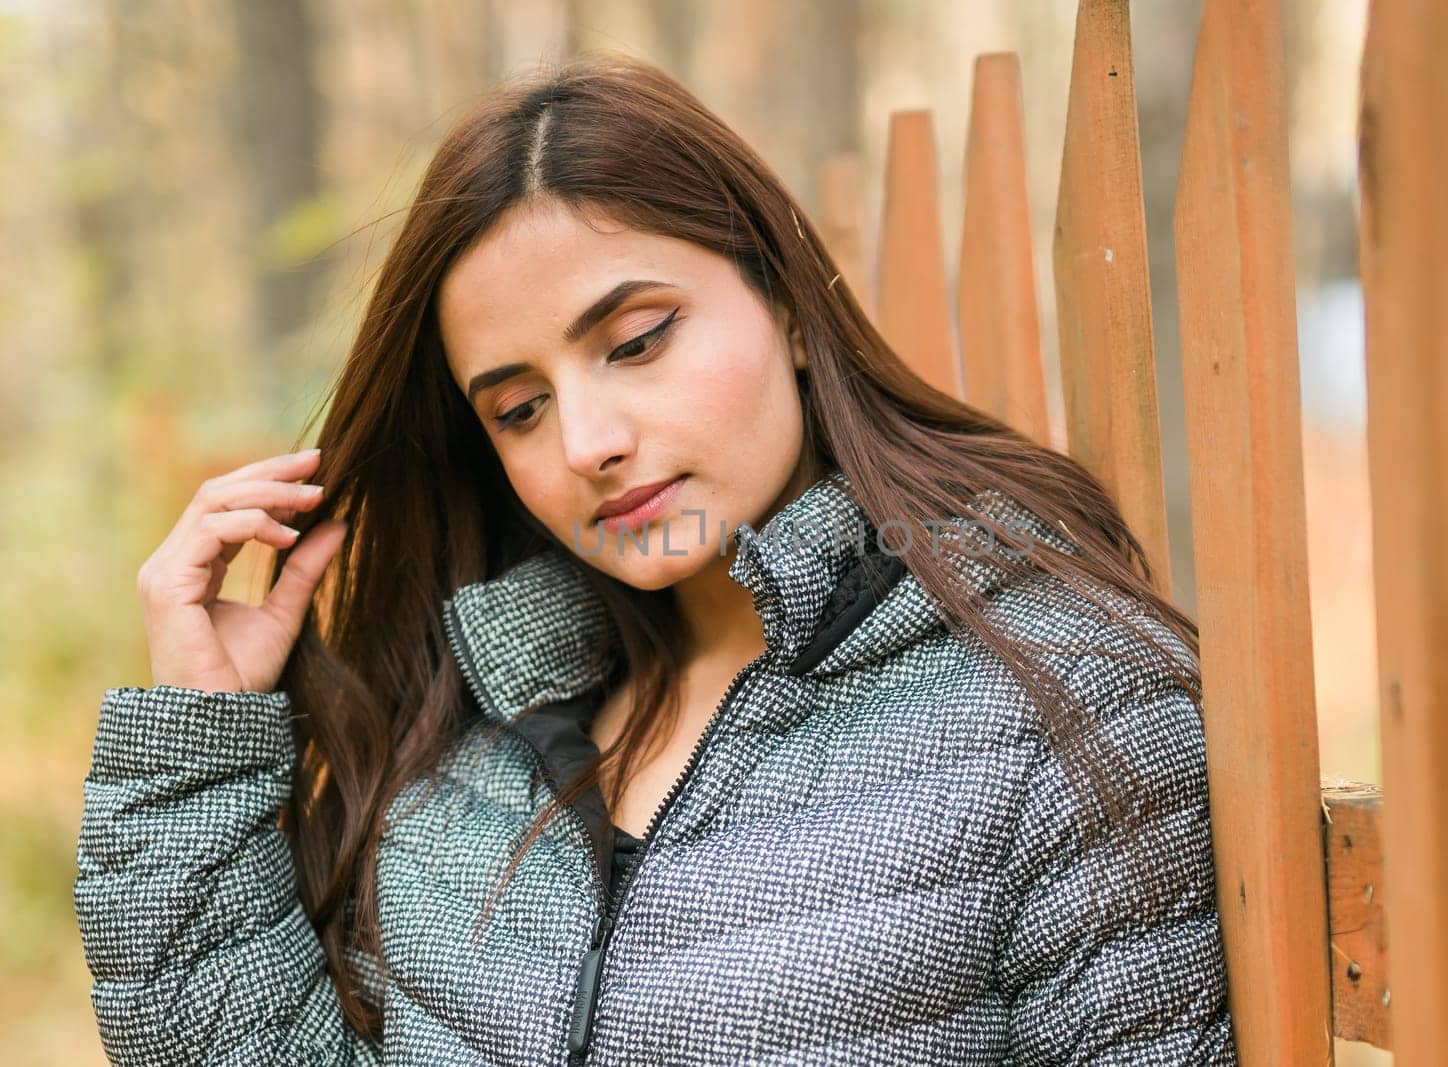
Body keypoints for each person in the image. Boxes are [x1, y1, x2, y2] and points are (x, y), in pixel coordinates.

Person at [74, 51, 1237, 1066]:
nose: (588, 443)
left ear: (784, 300)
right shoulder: (474, 740)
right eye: (518, 408)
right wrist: (200, 737)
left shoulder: (1062, 703)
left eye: (636, 341)